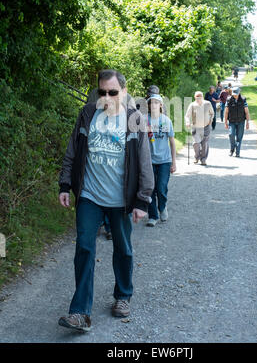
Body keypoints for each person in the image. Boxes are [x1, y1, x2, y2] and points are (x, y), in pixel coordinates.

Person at [58, 69, 154, 332]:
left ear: (123, 91)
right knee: (85, 248)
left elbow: (144, 162)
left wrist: (142, 200)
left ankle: (123, 296)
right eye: (103, 92)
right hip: (90, 195)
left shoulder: (134, 119)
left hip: (120, 200)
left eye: (113, 92)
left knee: (123, 249)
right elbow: (72, 152)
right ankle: (80, 313)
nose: (108, 97)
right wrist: (65, 184)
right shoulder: (87, 114)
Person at [146, 93, 176, 227]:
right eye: (151, 103)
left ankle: (162, 207)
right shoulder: (144, 121)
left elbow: (172, 142)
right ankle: (153, 216)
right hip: (149, 161)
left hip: (164, 160)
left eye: (156, 103)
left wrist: (174, 162)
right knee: (150, 189)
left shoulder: (166, 121)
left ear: (160, 105)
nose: (153, 105)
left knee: (161, 187)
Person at [185, 91, 214, 165]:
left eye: (200, 97)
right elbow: (187, 116)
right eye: (197, 97)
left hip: (206, 126)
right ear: (195, 97)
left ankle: (203, 159)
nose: (198, 99)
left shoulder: (207, 104)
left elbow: (212, 113)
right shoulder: (192, 105)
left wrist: (210, 120)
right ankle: (196, 157)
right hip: (195, 127)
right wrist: (187, 122)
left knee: (205, 144)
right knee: (196, 144)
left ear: (202, 97)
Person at [224, 86, 250, 158]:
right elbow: (226, 112)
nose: (234, 95)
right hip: (232, 121)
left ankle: (237, 152)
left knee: (239, 137)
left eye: (236, 94)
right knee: (231, 134)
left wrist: (248, 122)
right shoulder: (229, 100)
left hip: (241, 121)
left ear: (239, 93)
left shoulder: (243, 100)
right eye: (233, 94)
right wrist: (225, 122)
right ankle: (232, 149)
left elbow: (247, 112)